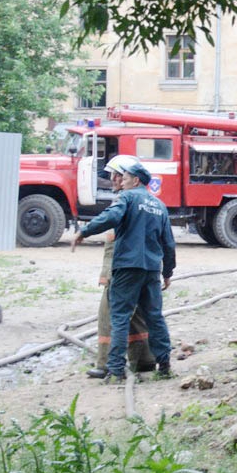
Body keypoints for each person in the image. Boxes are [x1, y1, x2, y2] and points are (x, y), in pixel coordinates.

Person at [72, 162, 175, 383]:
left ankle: (116, 370)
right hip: (151, 270)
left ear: (136, 181)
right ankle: (165, 365)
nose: (120, 181)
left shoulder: (127, 198)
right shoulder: (160, 206)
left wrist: (84, 231)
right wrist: (167, 272)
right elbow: (168, 243)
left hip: (127, 267)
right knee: (155, 317)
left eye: (124, 177)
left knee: (119, 318)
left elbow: (111, 217)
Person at [86, 154, 156, 379]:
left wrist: (83, 232)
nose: (113, 179)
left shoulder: (125, 202)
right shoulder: (142, 201)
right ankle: (144, 360)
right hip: (136, 268)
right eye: (113, 175)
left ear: (132, 178)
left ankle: (107, 364)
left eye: (118, 175)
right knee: (136, 314)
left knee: (109, 315)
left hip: (121, 269)